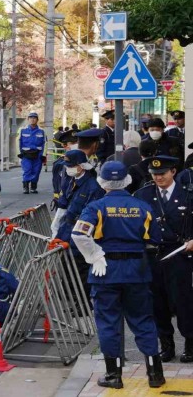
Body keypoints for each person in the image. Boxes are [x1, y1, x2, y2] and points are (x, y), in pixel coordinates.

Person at [71, 161, 165, 390]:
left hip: (105, 271)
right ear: (127, 181)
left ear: (101, 181)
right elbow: (155, 239)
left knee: (108, 322)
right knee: (143, 321)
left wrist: (95, 255)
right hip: (137, 271)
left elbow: (78, 234)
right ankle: (155, 373)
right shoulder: (143, 207)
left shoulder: (96, 207)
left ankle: (113, 375)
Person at [133, 155, 193, 363]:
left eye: (162, 173)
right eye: (154, 174)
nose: (158, 178)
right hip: (154, 255)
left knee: (183, 301)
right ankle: (166, 344)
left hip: (180, 254)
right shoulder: (143, 195)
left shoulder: (187, 194)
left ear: (173, 172)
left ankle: (190, 343)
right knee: (158, 302)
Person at [50, 149, 105, 297]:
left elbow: (92, 215)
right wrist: (56, 224)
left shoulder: (93, 186)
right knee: (66, 263)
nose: (68, 169)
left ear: (81, 166)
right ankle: (68, 295)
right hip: (67, 228)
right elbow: (64, 202)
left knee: (79, 266)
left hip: (80, 231)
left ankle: (80, 300)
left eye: (71, 166)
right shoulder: (71, 181)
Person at [18, 112, 46, 194]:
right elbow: (18, 141)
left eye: (34, 118)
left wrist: (43, 155)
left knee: (36, 171)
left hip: (38, 154)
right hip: (26, 154)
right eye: (31, 118)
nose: (32, 119)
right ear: (28, 119)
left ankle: (33, 187)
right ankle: (25, 187)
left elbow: (45, 143)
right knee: (27, 170)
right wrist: (19, 153)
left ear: (37, 120)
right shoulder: (22, 130)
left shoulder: (42, 131)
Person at [51, 129, 78, 209]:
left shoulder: (86, 162)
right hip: (65, 204)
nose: (76, 145)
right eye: (73, 143)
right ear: (65, 146)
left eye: (78, 143)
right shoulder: (59, 164)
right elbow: (58, 187)